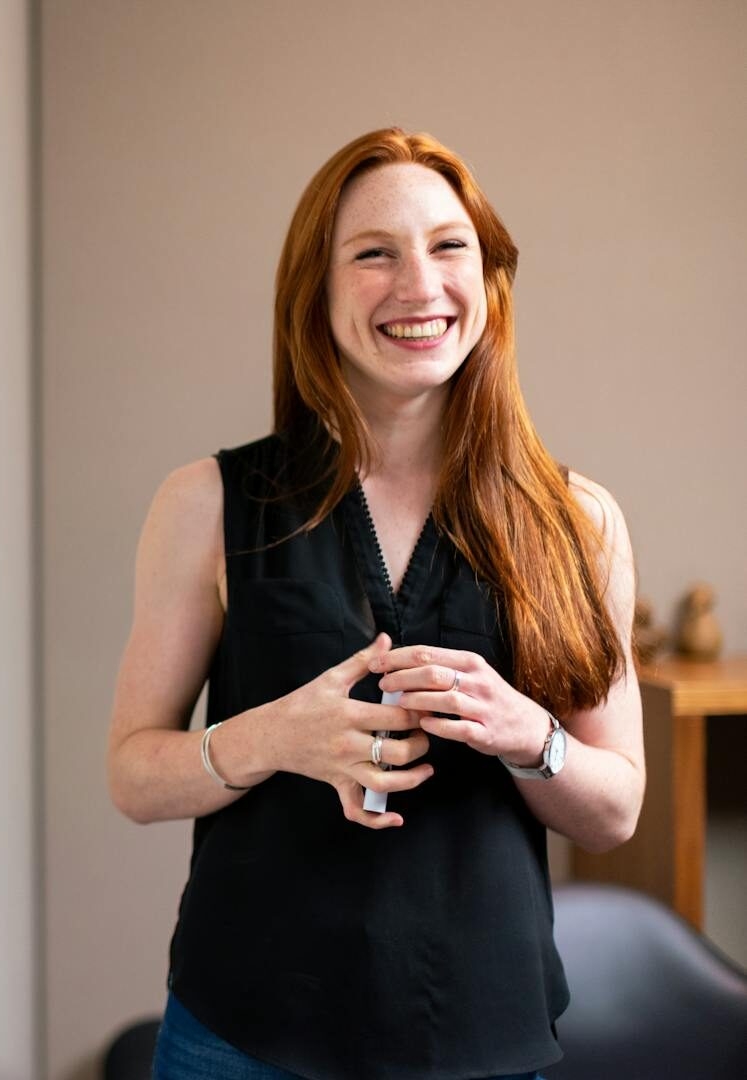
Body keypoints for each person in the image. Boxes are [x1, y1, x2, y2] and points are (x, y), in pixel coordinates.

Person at [108, 127, 645, 1080]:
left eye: (448, 247)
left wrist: (529, 735)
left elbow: (614, 810)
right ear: (314, 291)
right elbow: (133, 775)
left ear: (489, 279)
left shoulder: (580, 520)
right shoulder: (206, 503)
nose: (419, 284)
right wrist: (270, 738)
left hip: (483, 1038)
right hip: (242, 1038)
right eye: (373, 254)